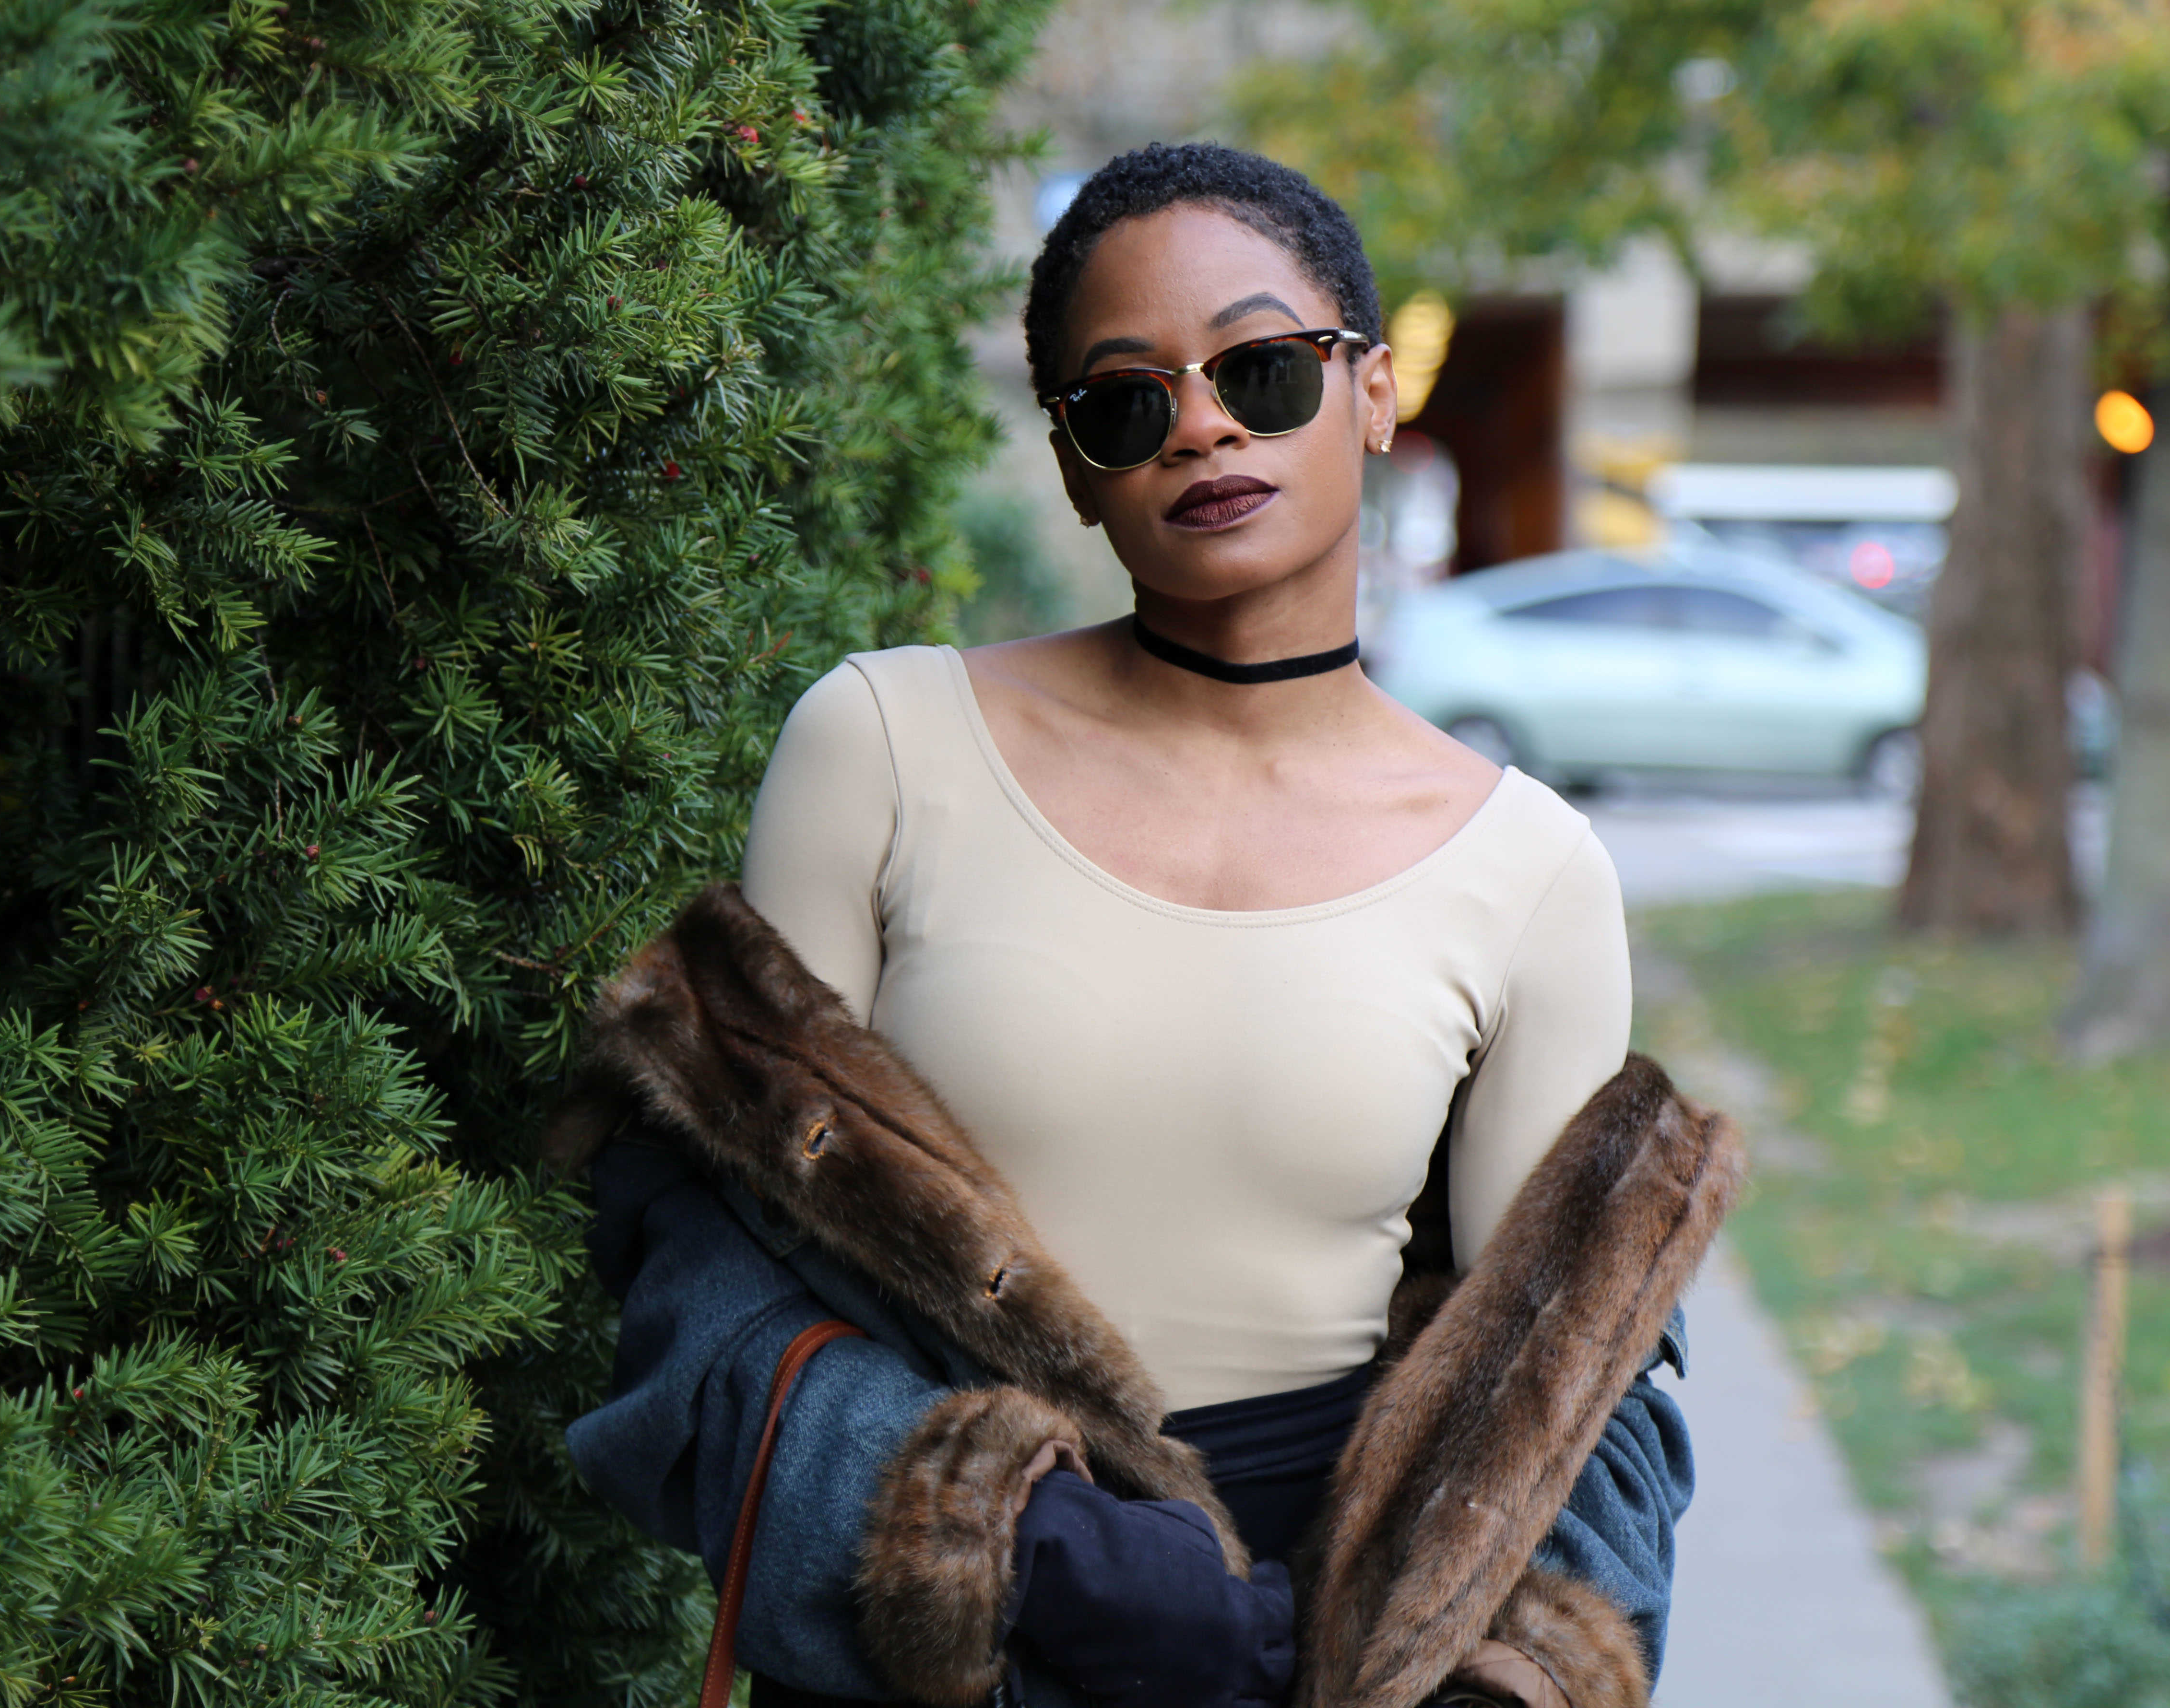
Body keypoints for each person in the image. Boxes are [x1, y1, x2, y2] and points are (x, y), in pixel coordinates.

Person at [555, 144, 1737, 1708]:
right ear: (1072, 464)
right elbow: (707, 1272)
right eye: (1126, 399)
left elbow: (1563, 1387)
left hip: (1328, 1657)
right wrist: (1030, 1555)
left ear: (1373, 391)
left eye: (1261, 367)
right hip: (946, 1647)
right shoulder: (887, 745)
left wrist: (1474, 1678)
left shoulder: (1528, 869)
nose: (1201, 423)